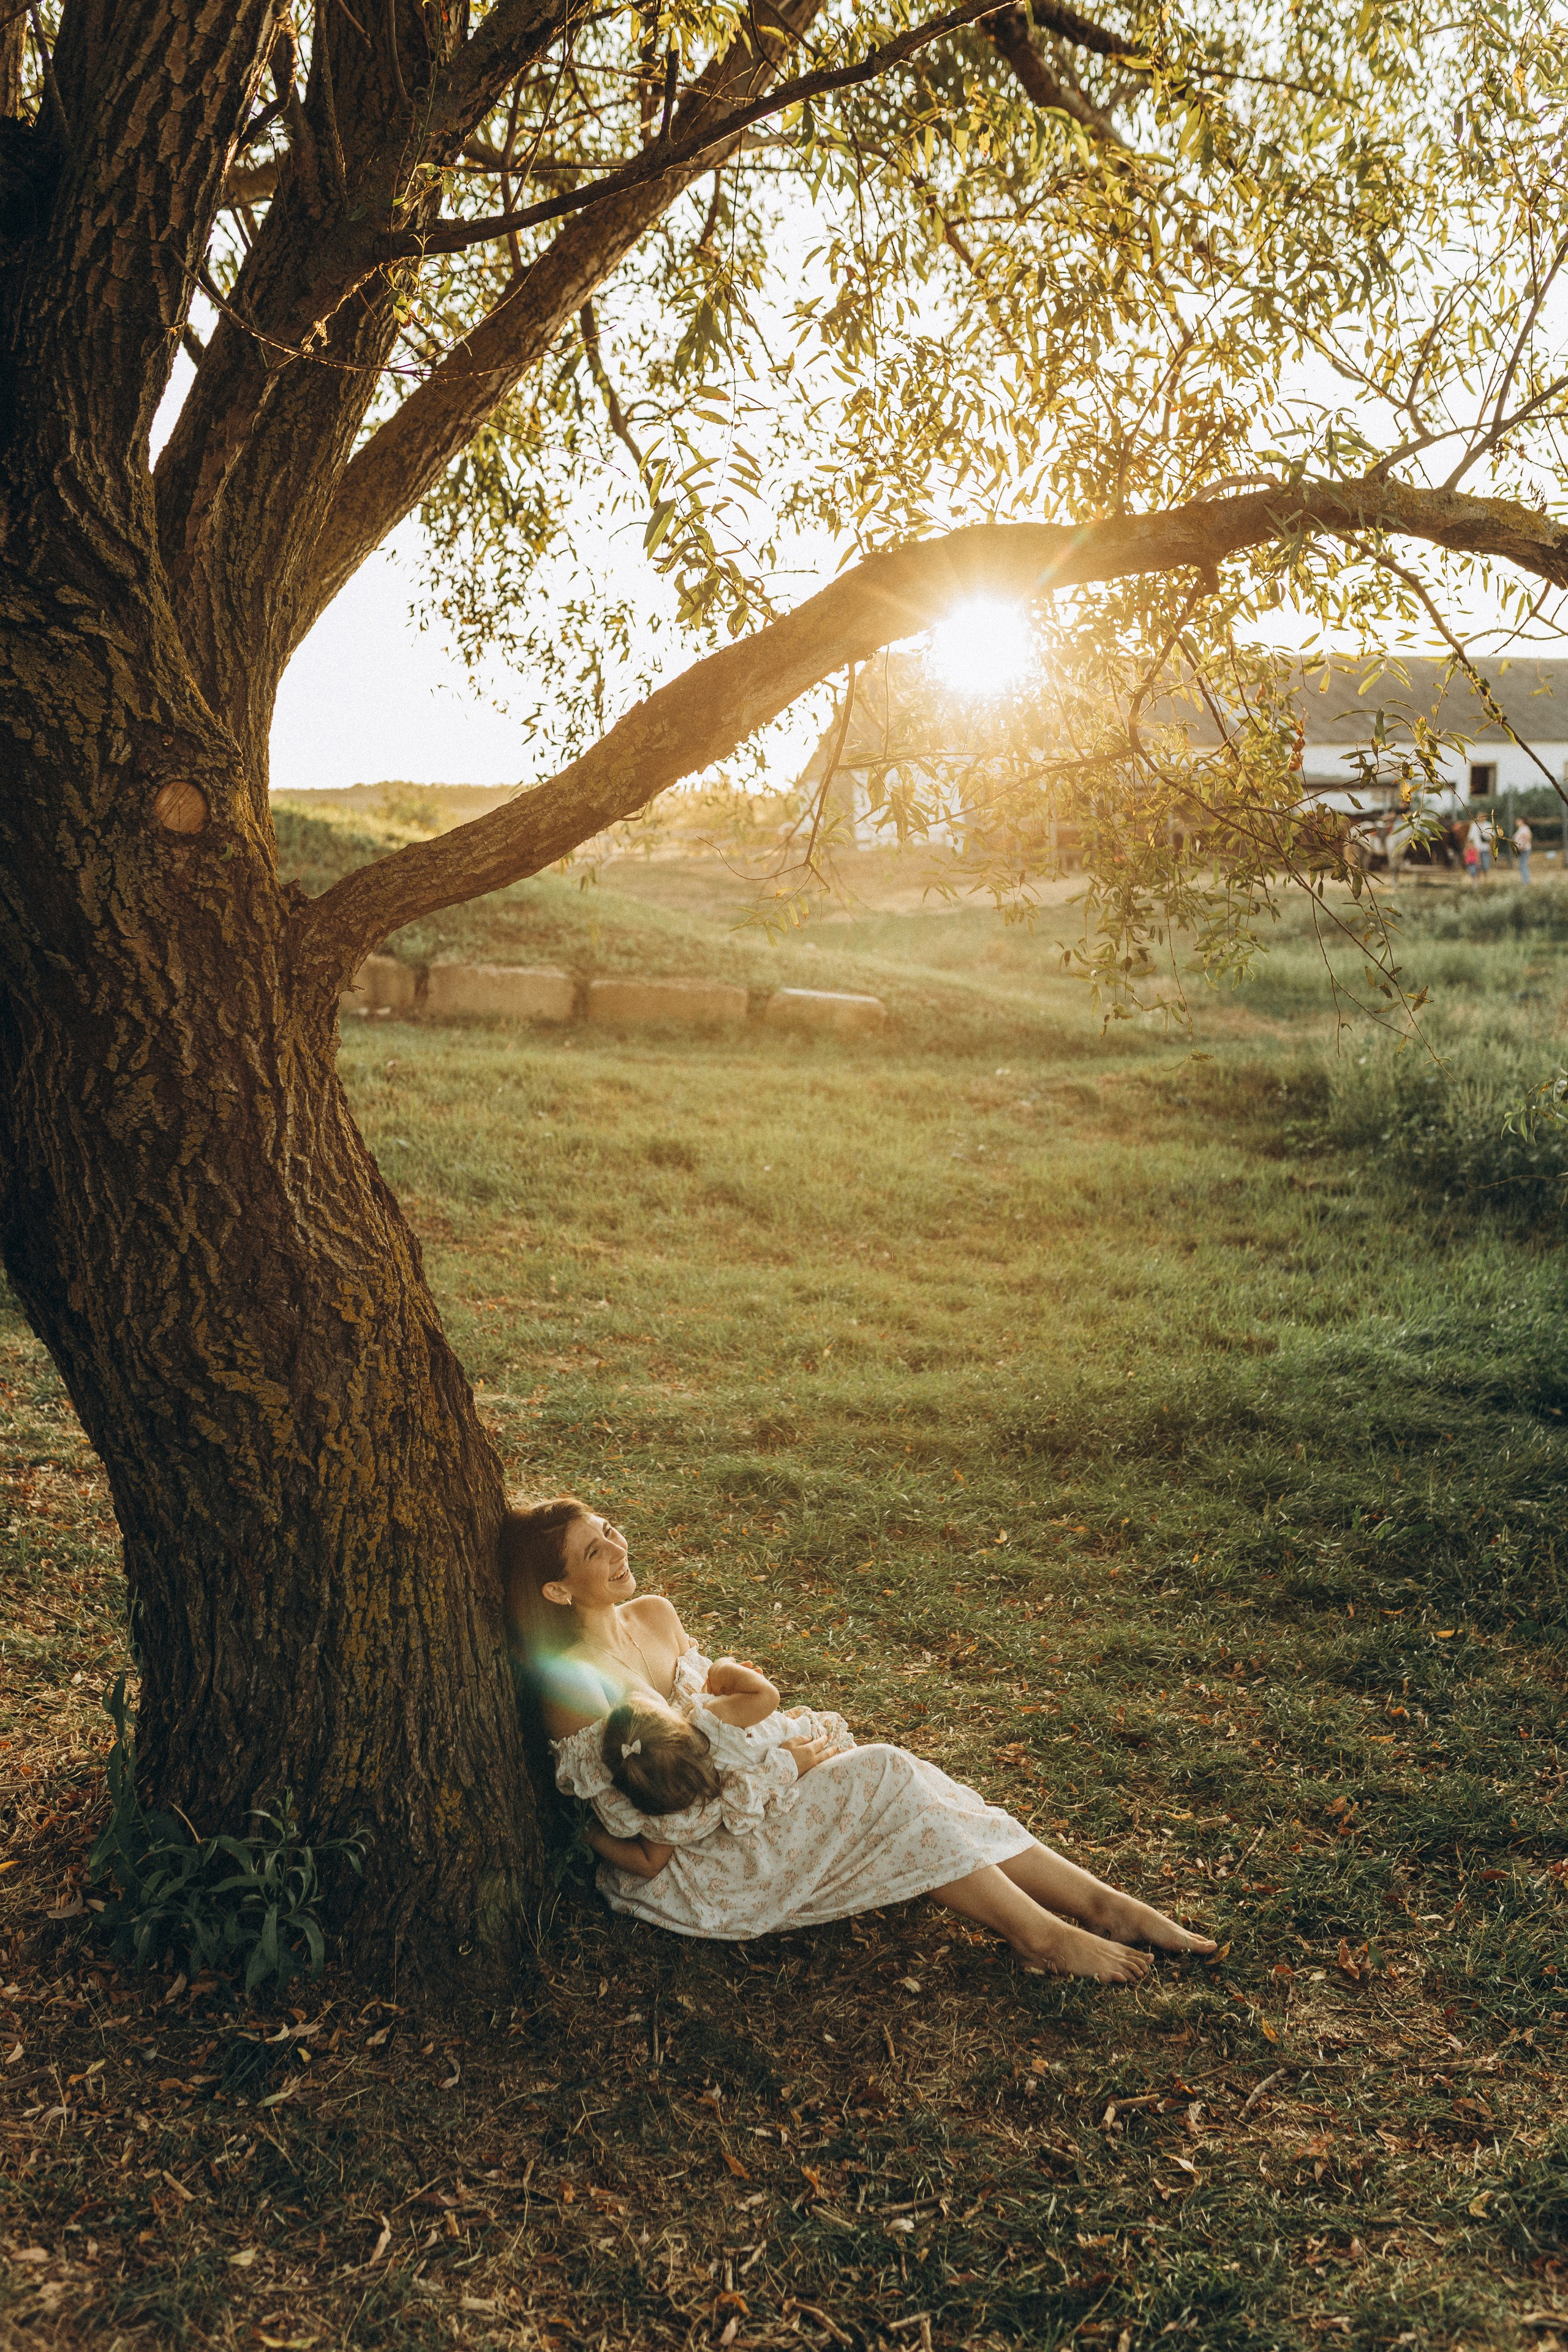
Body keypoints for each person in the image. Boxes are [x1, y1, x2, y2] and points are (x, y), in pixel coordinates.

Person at [502, 1497, 1216, 1985]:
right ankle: (1041, 1937)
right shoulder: (573, 1684)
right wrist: (786, 1761)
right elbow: (654, 1824)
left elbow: (722, 1724)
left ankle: (1100, 1903)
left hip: (750, 1804)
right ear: (559, 1593)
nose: (618, 1547)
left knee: (905, 1775)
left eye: (610, 1527)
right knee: (882, 1774)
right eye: (595, 1551)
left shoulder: (656, 1615)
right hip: (701, 1869)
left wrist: (782, 1747)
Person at [1513, 815, 1533, 886]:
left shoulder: (1524, 828)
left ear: (1522, 821)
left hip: (1524, 850)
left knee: (1523, 865)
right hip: (1522, 849)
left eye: (1518, 821)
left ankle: (1526, 882)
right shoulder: (1522, 828)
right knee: (1522, 865)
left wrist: (1522, 847)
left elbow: (1528, 837)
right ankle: (1525, 881)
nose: (1517, 822)